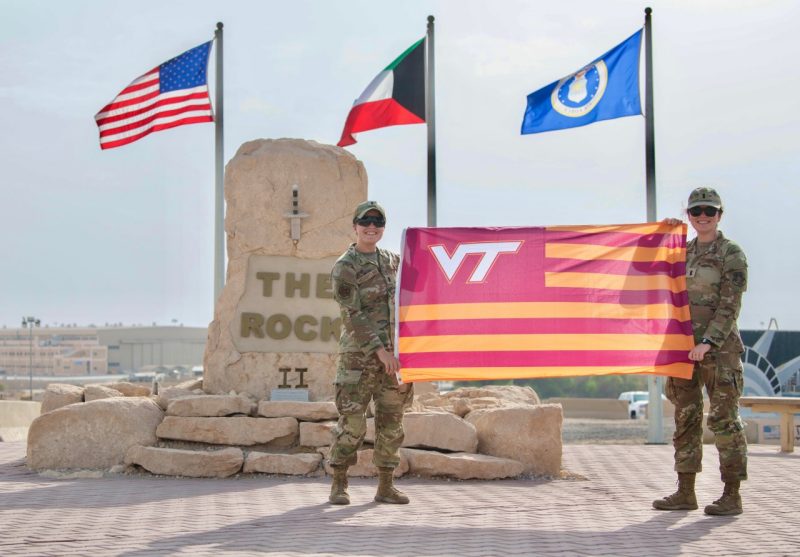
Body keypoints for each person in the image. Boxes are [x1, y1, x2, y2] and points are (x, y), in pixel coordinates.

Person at [653, 187, 748, 516]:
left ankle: (731, 494)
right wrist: (660, 237)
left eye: (710, 210)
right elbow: (648, 275)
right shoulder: (681, 252)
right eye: (696, 211)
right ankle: (685, 492)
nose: (703, 216)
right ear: (689, 216)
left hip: (719, 353)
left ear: (720, 215)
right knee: (685, 420)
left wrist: (708, 342)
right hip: (682, 351)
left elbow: (730, 304)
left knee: (724, 421)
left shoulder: (730, 253)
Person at [327, 200, 413, 505]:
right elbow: (352, 315)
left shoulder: (393, 261)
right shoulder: (345, 266)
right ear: (355, 227)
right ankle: (339, 484)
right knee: (351, 424)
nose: (371, 228)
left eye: (378, 223)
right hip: (359, 360)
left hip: (394, 360)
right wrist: (379, 351)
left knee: (392, 422)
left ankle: (385, 486)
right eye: (365, 222)